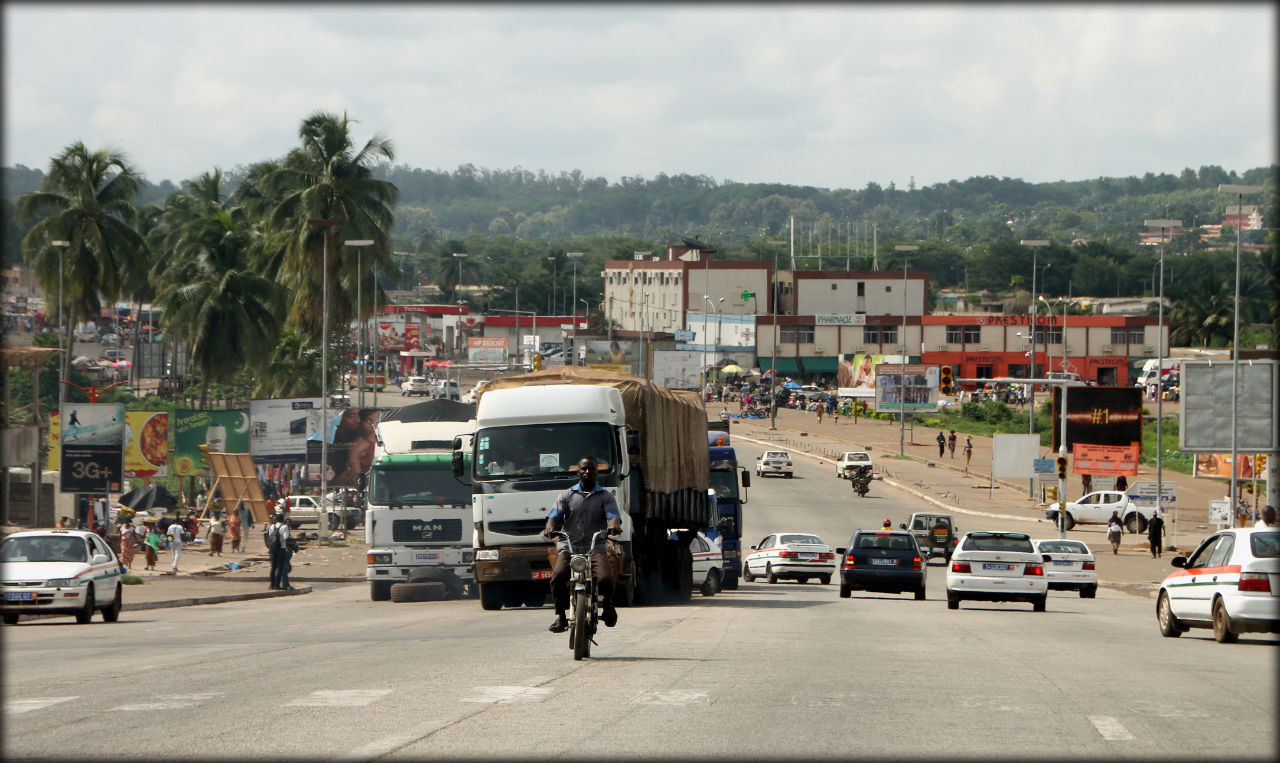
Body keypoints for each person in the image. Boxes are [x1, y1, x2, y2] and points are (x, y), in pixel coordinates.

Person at [543, 456, 622, 634]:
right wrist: (550, 528)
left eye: (591, 469)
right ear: (578, 471)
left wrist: (614, 525)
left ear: (596, 471)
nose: (587, 472)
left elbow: (613, 515)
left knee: (605, 578)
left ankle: (608, 607)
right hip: (569, 546)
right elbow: (553, 517)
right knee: (558, 576)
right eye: (584, 469)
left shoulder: (604, 496)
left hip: (595, 547)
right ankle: (561, 616)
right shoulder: (566, 495)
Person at [266, 513, 294, 590]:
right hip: (281, 549)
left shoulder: (272, 526)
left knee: (273, 567)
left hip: (272, 549)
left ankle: (271, 585)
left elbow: (269, 537)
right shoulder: (284, 527)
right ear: (283, 519)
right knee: (280, 568)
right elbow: (286, 538)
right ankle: (277, 585)